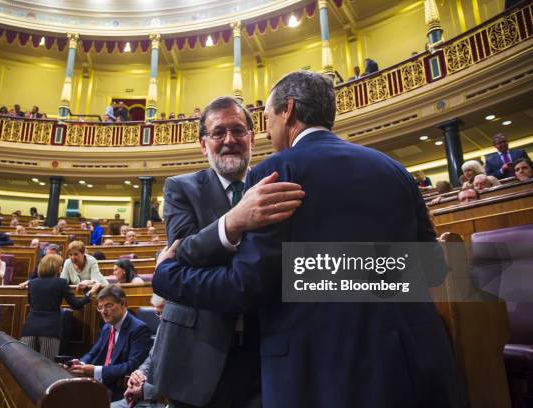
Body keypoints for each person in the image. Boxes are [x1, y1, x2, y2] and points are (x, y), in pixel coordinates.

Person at [153, 71, 464, 407]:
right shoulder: (394, 169)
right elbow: (431, 266)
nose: (269, 128)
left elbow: (248, 284)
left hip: (316, 367)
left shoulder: (275, 173)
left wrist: (167, 276)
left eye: (268, 117)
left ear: (287, 111)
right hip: (409, 362)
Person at [152, 96, 303, 408]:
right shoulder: (180, 187)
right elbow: (183, 253)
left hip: (265, 349)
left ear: (251, 136)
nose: (230, 140)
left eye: (238, 130)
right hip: (195, 353)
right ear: (202, 143)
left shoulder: (273, 182)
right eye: (218, 133)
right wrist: (235, 220)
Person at [67, 285, 152, 402]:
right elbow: (93, 352)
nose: (103, 312)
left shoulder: (139, 329)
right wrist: (81, 363)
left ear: (123, 304)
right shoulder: (107, 327)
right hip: (101, 384)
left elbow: (132, 366)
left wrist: (96, 370)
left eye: (108, 306)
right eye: (100, 307)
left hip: (122, 389)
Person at [21, 254, 100, 360]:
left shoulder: (32, 283)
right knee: (47, 366)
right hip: (50, 330)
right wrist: (91, 293)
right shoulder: (61, 283)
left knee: (25, 365)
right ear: (56, 268)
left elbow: (31, 303)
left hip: (29, 328)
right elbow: (76, 305)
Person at [112, 294, 167, 408]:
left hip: (163, 399)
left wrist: (143, 389)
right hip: (144, 394)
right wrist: (139, 374)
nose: (160, 318)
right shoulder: (162, 326)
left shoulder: (187, 336)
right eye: (158, 313)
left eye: (163, 313)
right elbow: (151, 358)